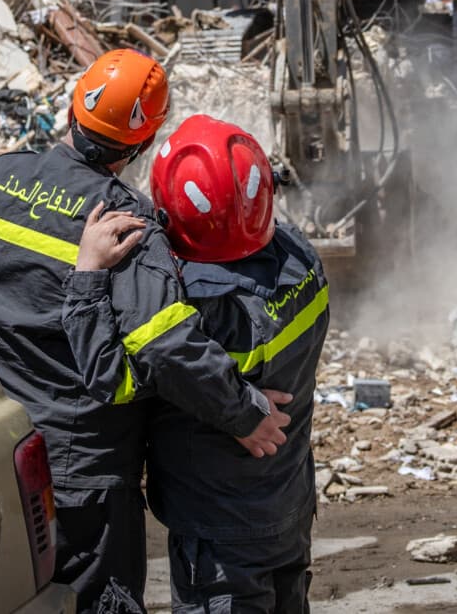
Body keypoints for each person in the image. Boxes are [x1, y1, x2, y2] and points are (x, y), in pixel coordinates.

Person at [0, 50, 292, 614]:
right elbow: (165, 346)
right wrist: (244, 413)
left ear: (73, 106)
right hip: (77, 471)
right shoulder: (124, 226)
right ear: (143, 142)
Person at [66, 114, 331, 614]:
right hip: (288, 501)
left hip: (221, 528)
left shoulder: (198, 308)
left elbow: (114, 376)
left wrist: (89, 276)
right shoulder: (303, 260)